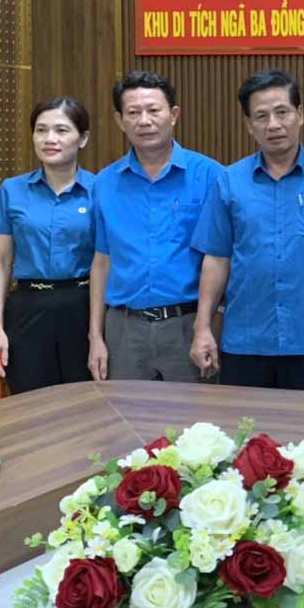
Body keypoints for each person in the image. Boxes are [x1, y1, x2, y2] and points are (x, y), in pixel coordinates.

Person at [189, 70, 304, 391]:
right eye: (261, 116)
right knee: (248, 436)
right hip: (246, 340)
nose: (273, 124)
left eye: (282, 112)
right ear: (249, 125)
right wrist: (202, 328)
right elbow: (217, 259)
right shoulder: (229, 181)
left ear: (300, 114)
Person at [88, 71, 222, 383]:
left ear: (173, 115)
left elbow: (219, 260)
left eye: (153, 110)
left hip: (187, 324)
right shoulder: (105, 183)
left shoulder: (210, 176)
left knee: (195, 427)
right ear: (120, 121)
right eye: (133, 113)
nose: (144, 121)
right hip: (124, 329)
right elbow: (101, 261)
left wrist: (209, 326)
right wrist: (96, 336)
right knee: (128, 425)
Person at [0, 96, 95, 393]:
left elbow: (107, 260)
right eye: (41, 130)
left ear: (82, 138)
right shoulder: (12, 190)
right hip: (27, 308)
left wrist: (98, 332)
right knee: (30, 404)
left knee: (85, 402)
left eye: (61, 130)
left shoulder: (100, 190)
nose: (50, 139)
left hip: (83, 305)